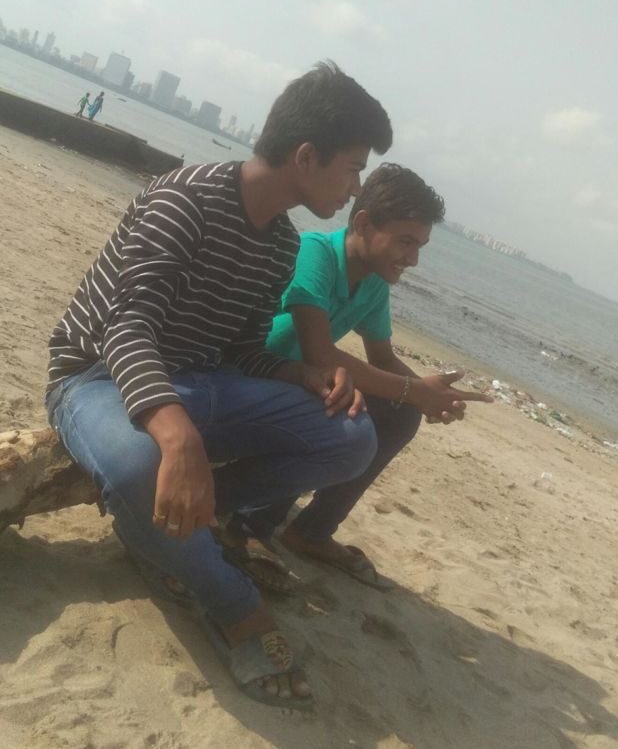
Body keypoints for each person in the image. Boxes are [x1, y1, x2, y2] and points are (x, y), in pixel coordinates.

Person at [46, 62, 393, 710]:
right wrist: (178, 439)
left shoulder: (280, 244)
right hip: (96, 377)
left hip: (203, 378)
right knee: (139, 461)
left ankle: (180, 523)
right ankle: (234, 606)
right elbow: (126, 327)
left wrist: (303, 374)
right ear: (306, 156)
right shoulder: (185, 198)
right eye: (352, 169)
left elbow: (239, 351)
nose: (354, 189)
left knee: (352, 437)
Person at [225, 164, 492, 591]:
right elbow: (321, 354)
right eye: (405, 241)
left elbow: (382, 358)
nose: (413, 259)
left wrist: (429, 395)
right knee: (335, 401)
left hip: (299, 383)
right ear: (364, 224)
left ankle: (312, 531)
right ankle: (247, 526)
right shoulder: (315, 253)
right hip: (249, 375)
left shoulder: (373, 283)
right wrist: (415, 390)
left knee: (399, 412)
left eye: (420, 246)